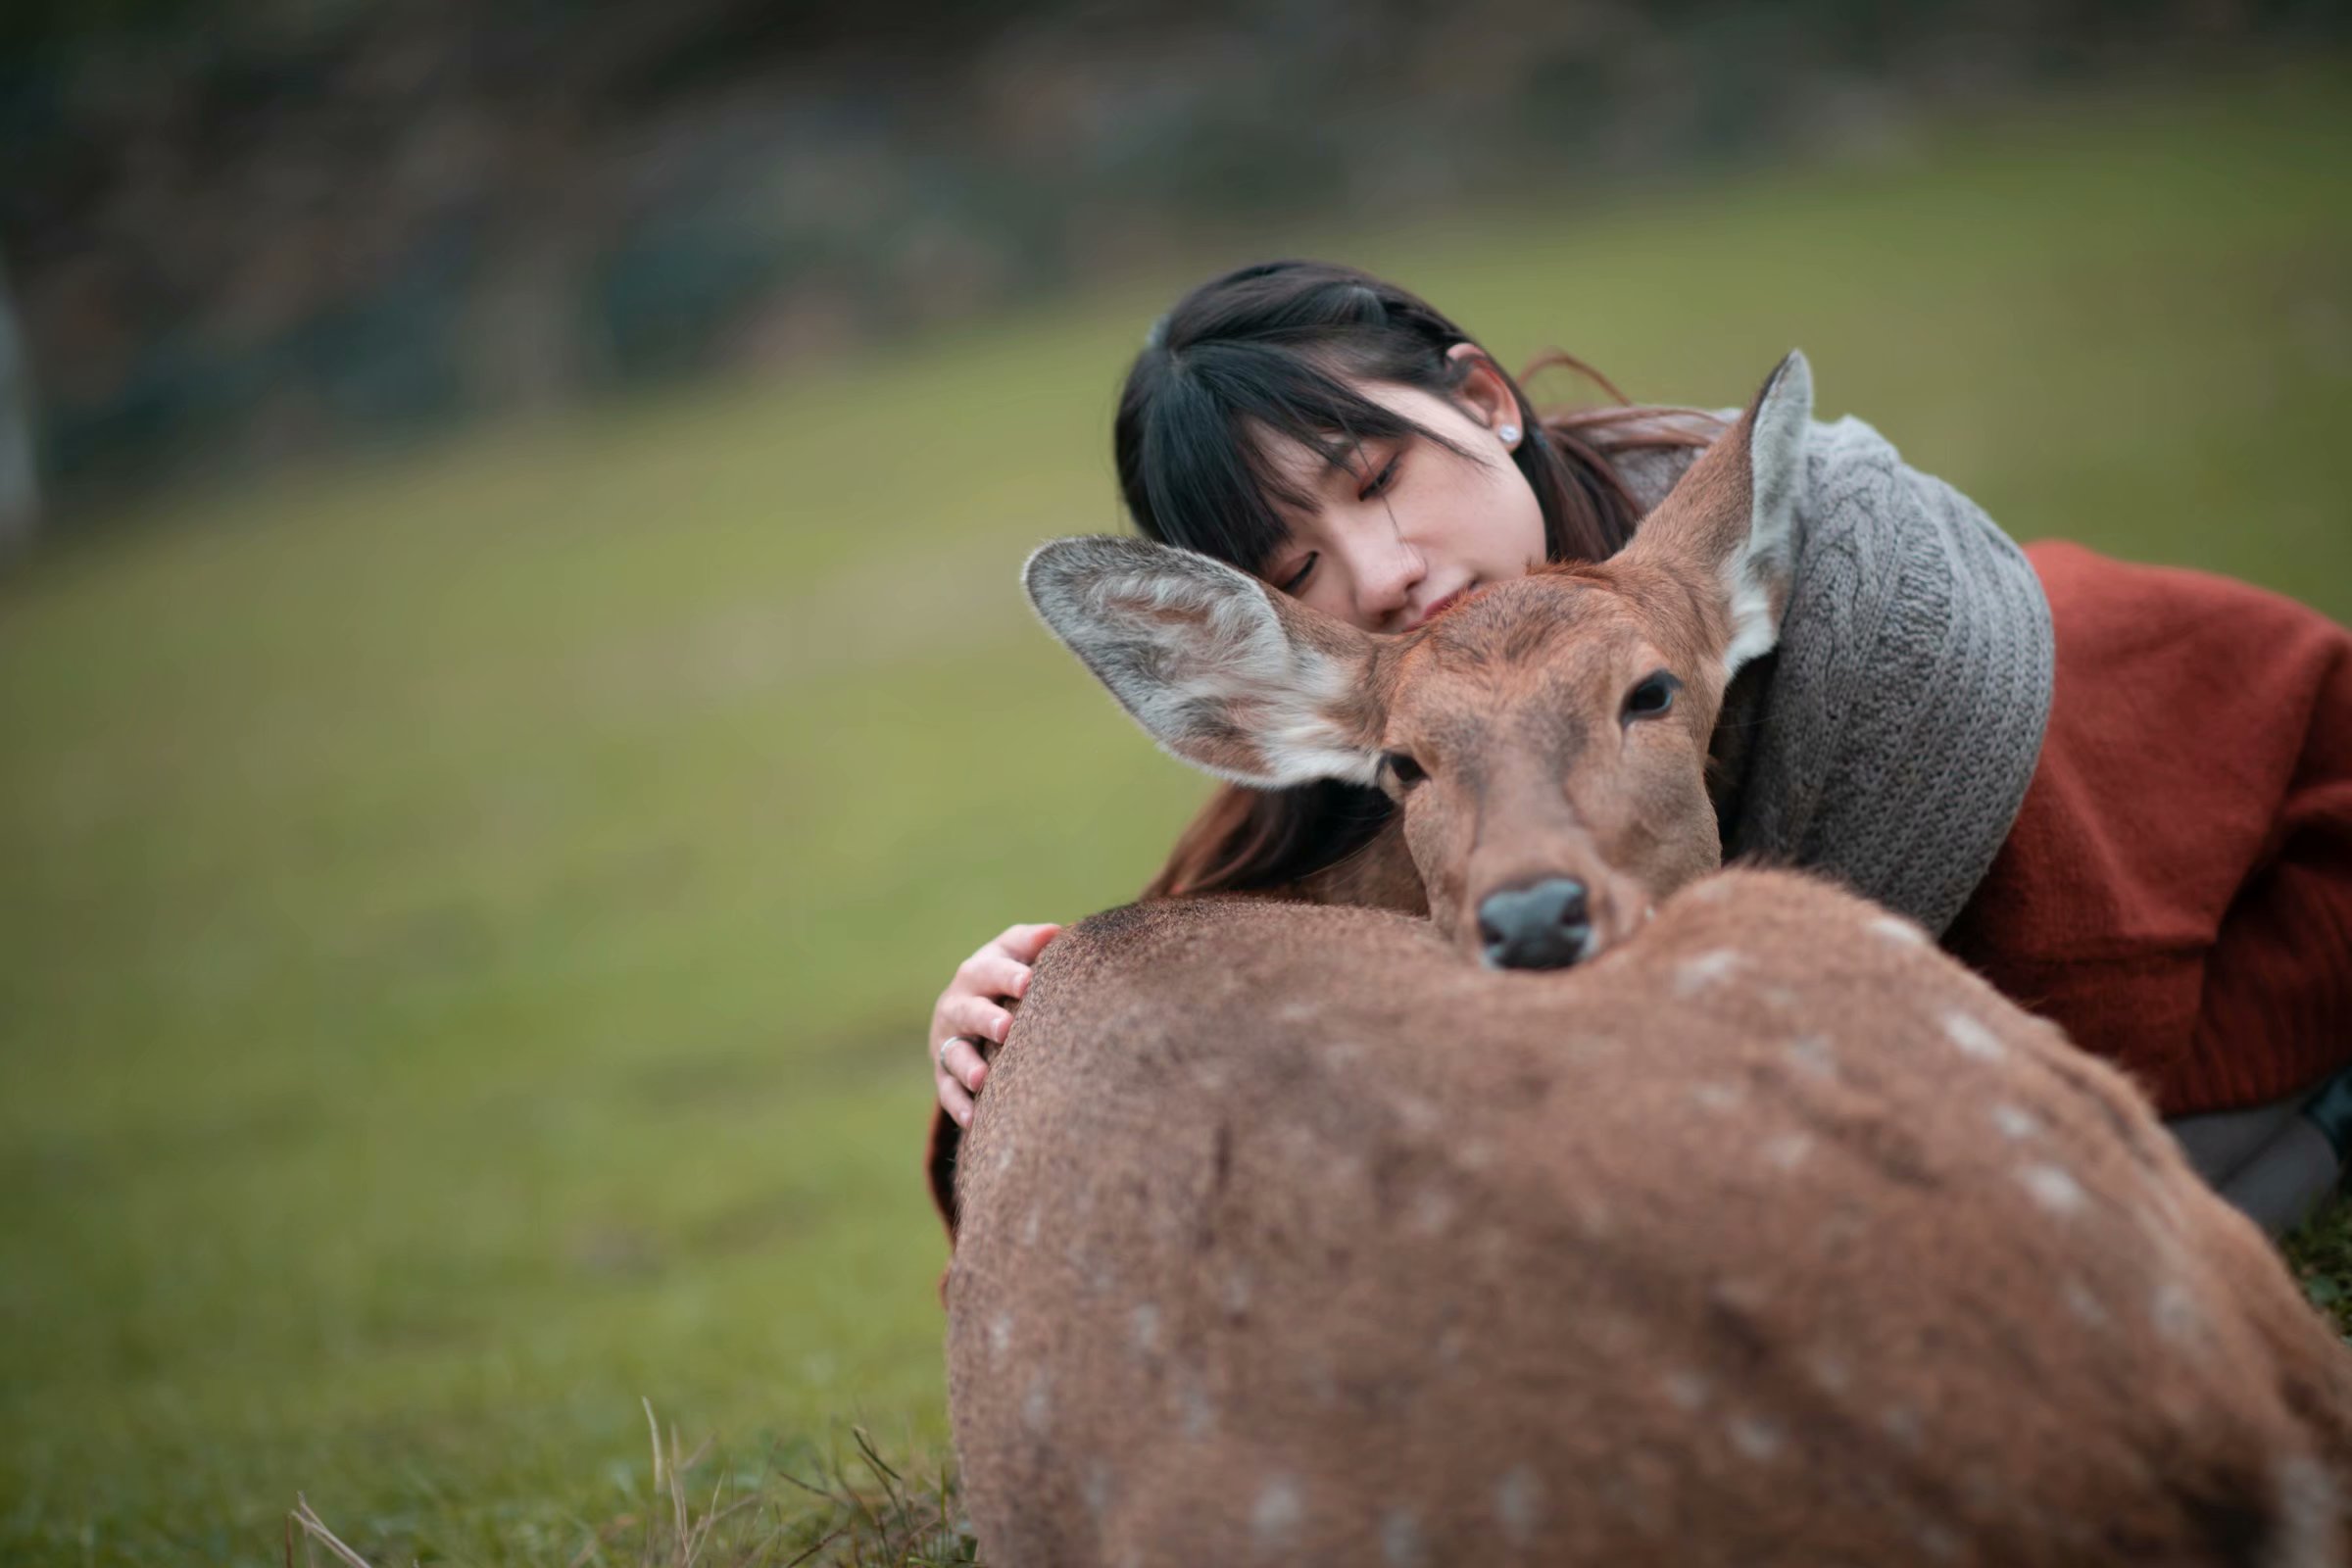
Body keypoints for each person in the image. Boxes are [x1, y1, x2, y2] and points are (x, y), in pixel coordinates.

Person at [925, 259, 2352, 1235]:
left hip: (2266, 836)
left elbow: (2069, 995)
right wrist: (1017, 1022)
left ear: (1484, 402)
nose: (1385, 573)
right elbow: (1220, 973)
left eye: (1379, 479)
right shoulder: (1366, 729)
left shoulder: (1860, 593)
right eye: (1295, 567)